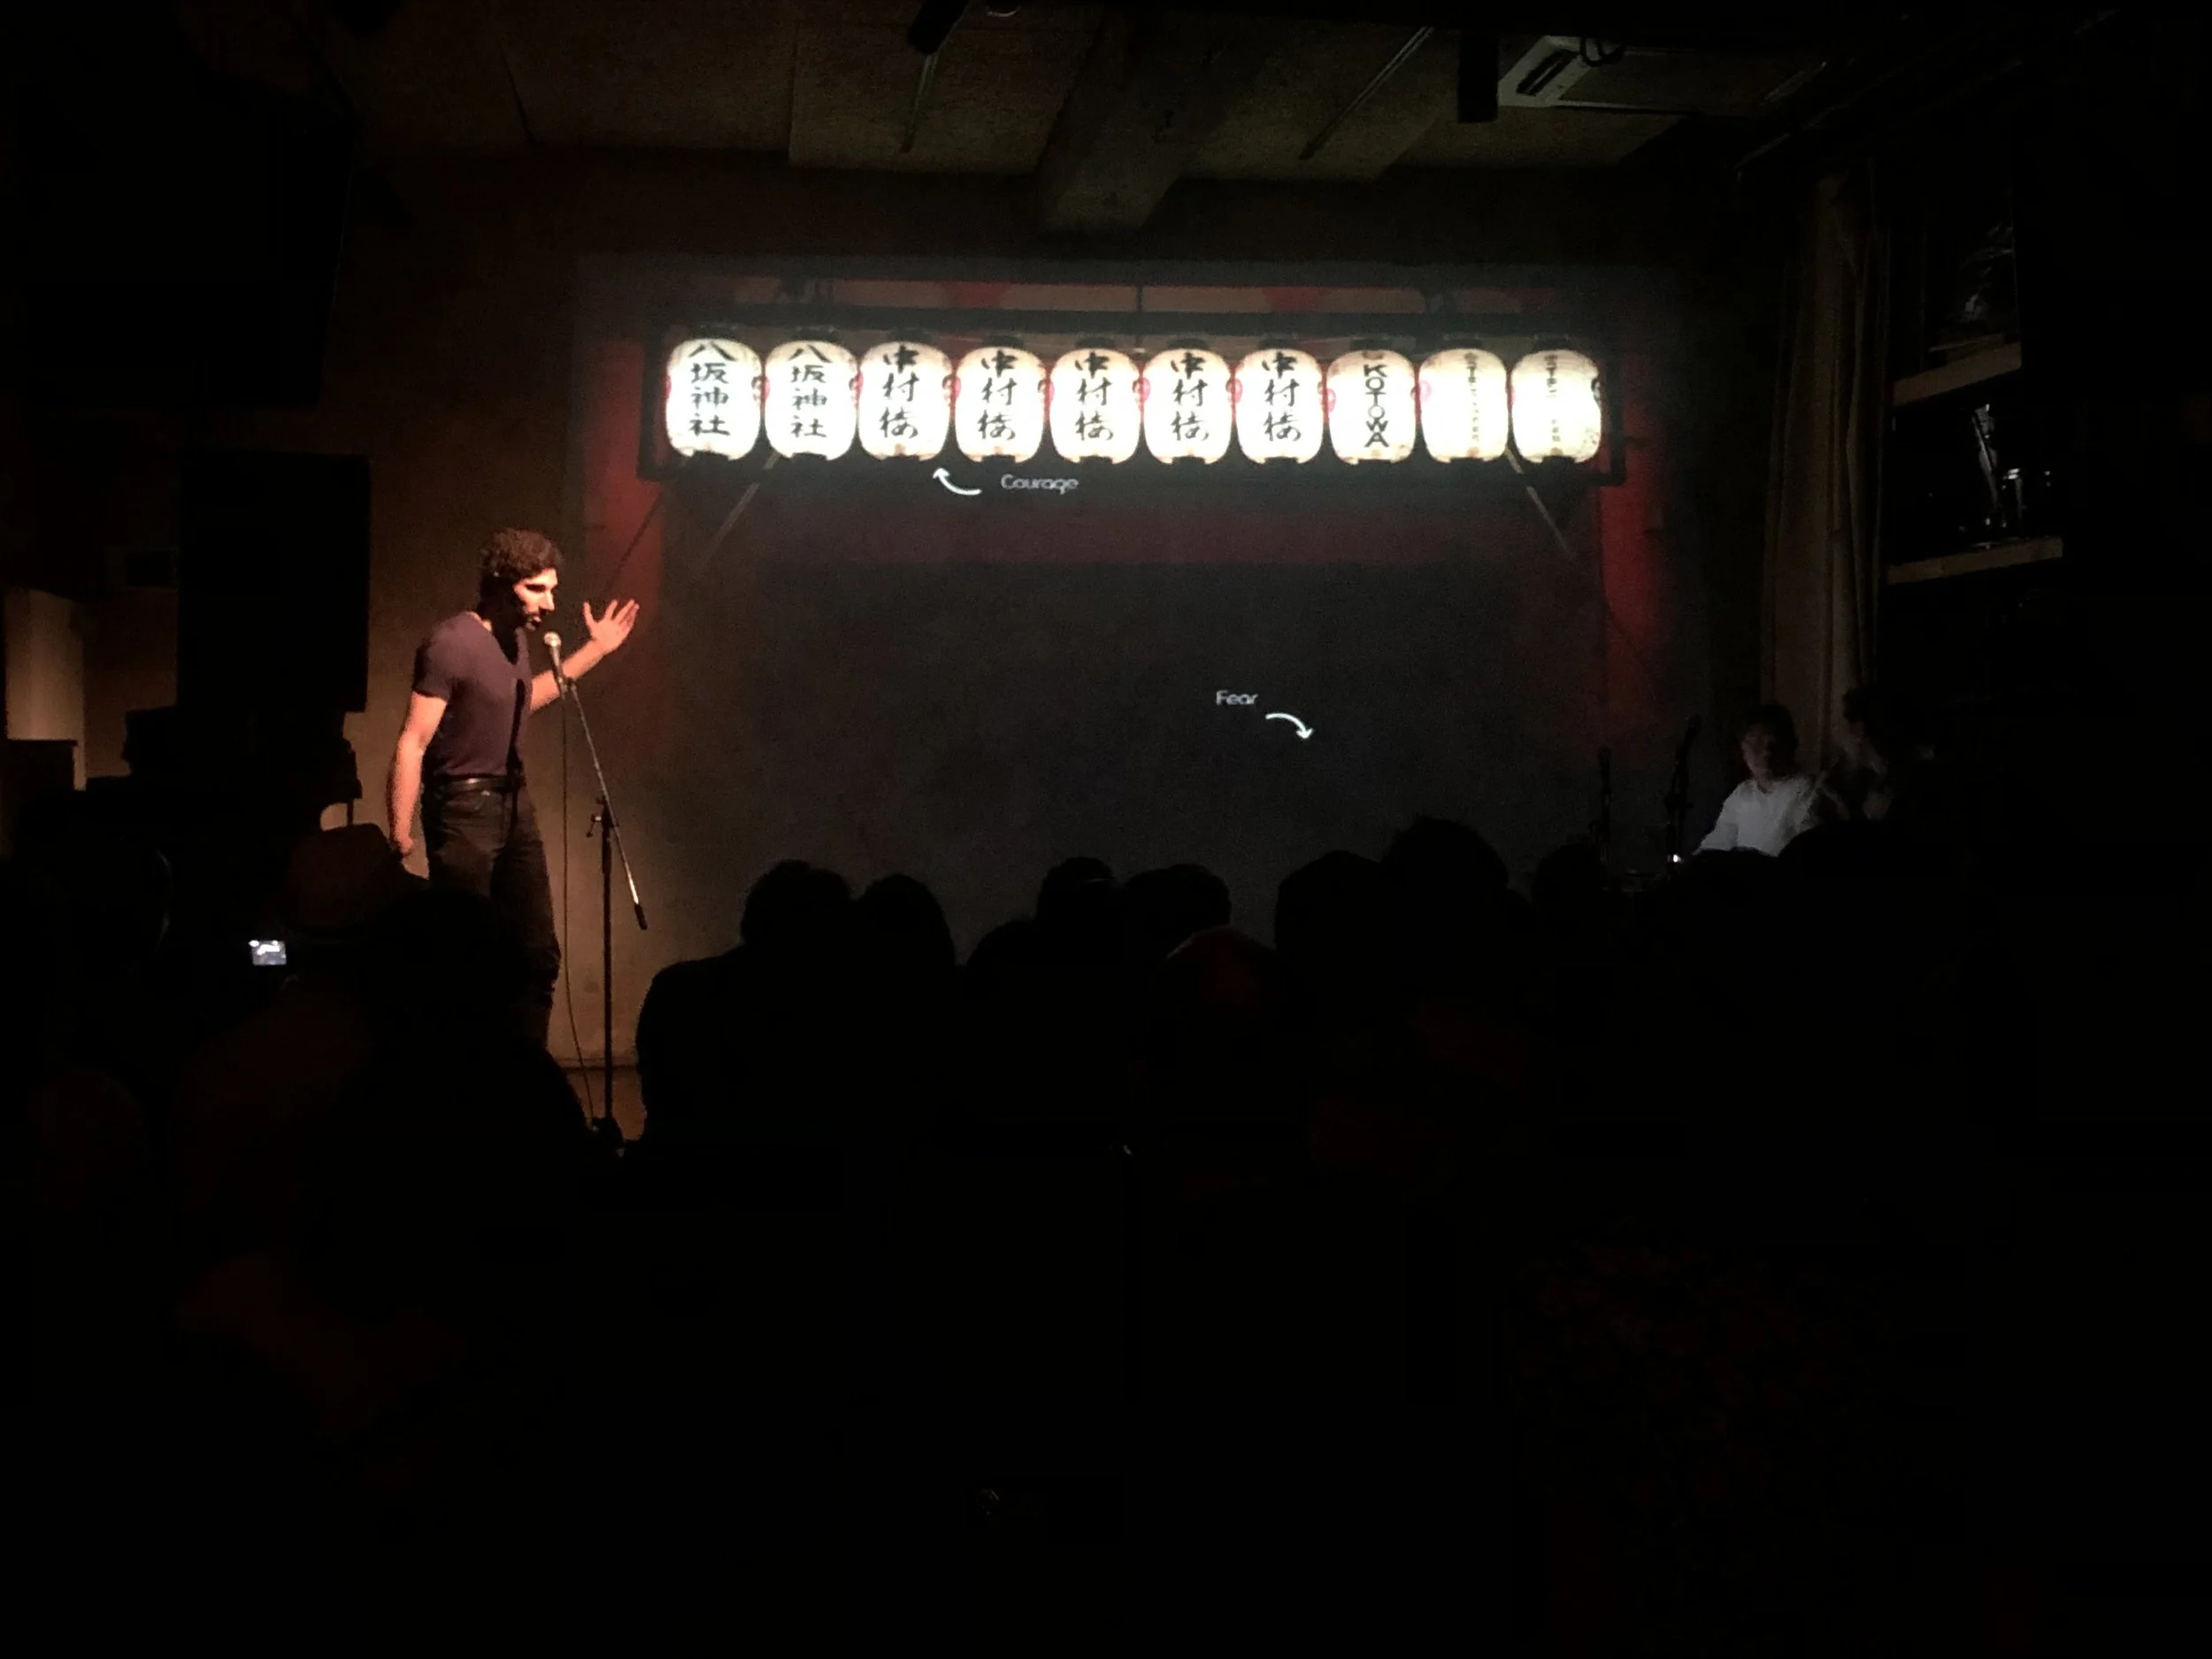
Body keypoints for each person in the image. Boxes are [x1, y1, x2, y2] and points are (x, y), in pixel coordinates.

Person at [386, 528, 640, 1044]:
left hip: (512, 803)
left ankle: (523, 1080)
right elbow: (412, 740)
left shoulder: (516, 640)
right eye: (537, 589)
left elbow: (525, 698)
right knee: (466, 958)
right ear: (502, 585)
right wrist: (400, 830)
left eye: (551, 589)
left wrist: (596, 650)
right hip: (462, 809)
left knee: (535, 953)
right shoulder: (451, 644)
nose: (551, 602)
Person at [1697, 703, 1816, 856]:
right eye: (1756, 743)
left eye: (1773, 743)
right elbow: (1718, 842)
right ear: (1743, 749)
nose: (1766, 752)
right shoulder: (1742, 794)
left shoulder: (1805, 791)